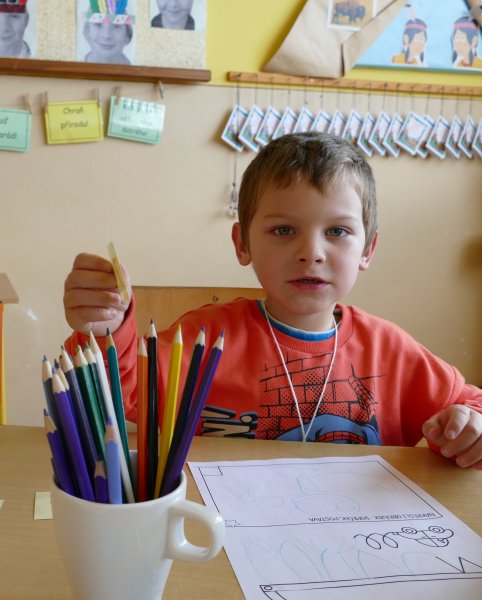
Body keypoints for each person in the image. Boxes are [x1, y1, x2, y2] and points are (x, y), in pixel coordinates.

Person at [62, 132, 482, 468]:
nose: (311, 253)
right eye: (283, 230)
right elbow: (119, 395)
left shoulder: (391, 352)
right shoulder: (205, 338)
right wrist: (105, 330)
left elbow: (470, 405)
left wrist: (467, 429)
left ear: (367, 250)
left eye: (337, 231)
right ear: (242, 244)